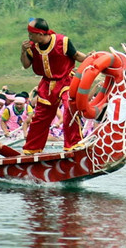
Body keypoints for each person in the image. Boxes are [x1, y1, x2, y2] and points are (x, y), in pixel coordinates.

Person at [21, 18, 88, 154]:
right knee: (40, 117)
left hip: (66, 80)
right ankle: (31, 149)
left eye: (31, 34)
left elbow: (76, 55)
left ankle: (73, 145)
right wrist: (23, 51)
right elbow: (26, 65)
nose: (29, 37)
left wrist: (91, 59)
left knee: (70, 108)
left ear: (40, 34)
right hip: (46, 84)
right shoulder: (32, 47)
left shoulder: (62, 41)